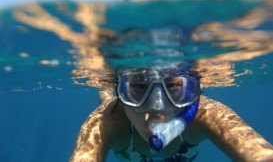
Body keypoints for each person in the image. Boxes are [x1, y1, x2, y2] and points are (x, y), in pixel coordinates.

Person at [70, 66, 273, 162]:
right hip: (119, 111)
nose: (157, 108)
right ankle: (107, 97)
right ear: (121, 90)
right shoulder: (107, 122)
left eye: (173, 87)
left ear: (193, 91)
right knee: (109, 105)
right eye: (139, 87)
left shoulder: (206, 113)